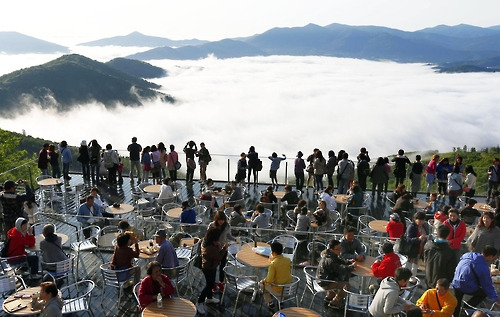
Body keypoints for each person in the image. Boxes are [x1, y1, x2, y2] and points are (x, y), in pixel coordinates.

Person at [451, 245, 500, 317]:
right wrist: (496, 299)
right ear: (490, 256)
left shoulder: (467, 255)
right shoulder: (483, 267)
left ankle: (456, 314)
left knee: (457, 304)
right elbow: (487, 285)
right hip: (466, 285)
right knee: (483, 293)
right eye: (493, 258)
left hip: (456, 282)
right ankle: (468, 307)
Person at [316, 239, 355, 308]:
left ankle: (329, 297)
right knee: (347, 285)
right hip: (325, 282)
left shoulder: (328, 255)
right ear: (331, 249)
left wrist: (348, 262)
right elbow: (342, 271)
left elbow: (338, 260)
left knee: (337, 279)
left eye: (340, 248)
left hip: (321, 279)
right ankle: (335, 303)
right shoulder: (331, 260)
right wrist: (352, 267)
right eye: (337, 249)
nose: (340, 250)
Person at [196, 227, 227, 314]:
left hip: (208, 265)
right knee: (209, 285)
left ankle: (209, 298)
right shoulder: (211, 248)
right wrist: (224, 248)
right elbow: (219, 257)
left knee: (211, 282)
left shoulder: (206, 241)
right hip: (209, 267)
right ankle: (199, 302)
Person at [208, 211, 235, 293]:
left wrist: (235, 239)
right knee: (213, 268)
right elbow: (207, 237)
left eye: (222, 220)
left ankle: (221, 283)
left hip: (223, 249)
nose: (221, 222)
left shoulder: (227, 226)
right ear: (216, 219)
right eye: (219, 220)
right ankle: (213, 284)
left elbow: (228, 235)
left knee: (222, 267)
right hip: (213, 250)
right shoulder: (211, 225)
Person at [260, 241, 292, 309]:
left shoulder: (273, 264)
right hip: (288, 289)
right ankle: (281, 301)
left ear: (274, 253)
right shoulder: (288, 260)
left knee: (261, 284)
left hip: (279, 290)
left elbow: (269, 280)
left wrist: (264, 281)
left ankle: (270, 302)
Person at [423, 225, 456, 289]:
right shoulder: (450, 252)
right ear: (448, 235)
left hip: (428, 277)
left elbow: (425, 260)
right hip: (441, 283)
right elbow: (451, 270)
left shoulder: (428, 245)